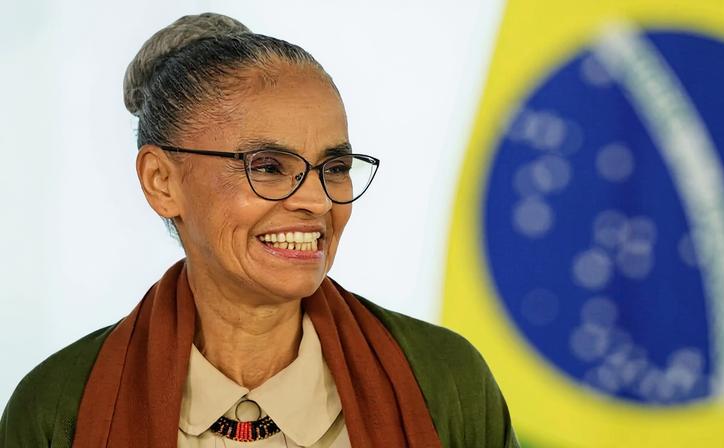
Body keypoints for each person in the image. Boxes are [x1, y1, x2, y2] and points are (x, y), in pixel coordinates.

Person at [0, 12, 518, 448]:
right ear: (162, 181)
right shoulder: (59, 408)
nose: (317, 200)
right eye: (268, 166)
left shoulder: (446, 384)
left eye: (334, 167)